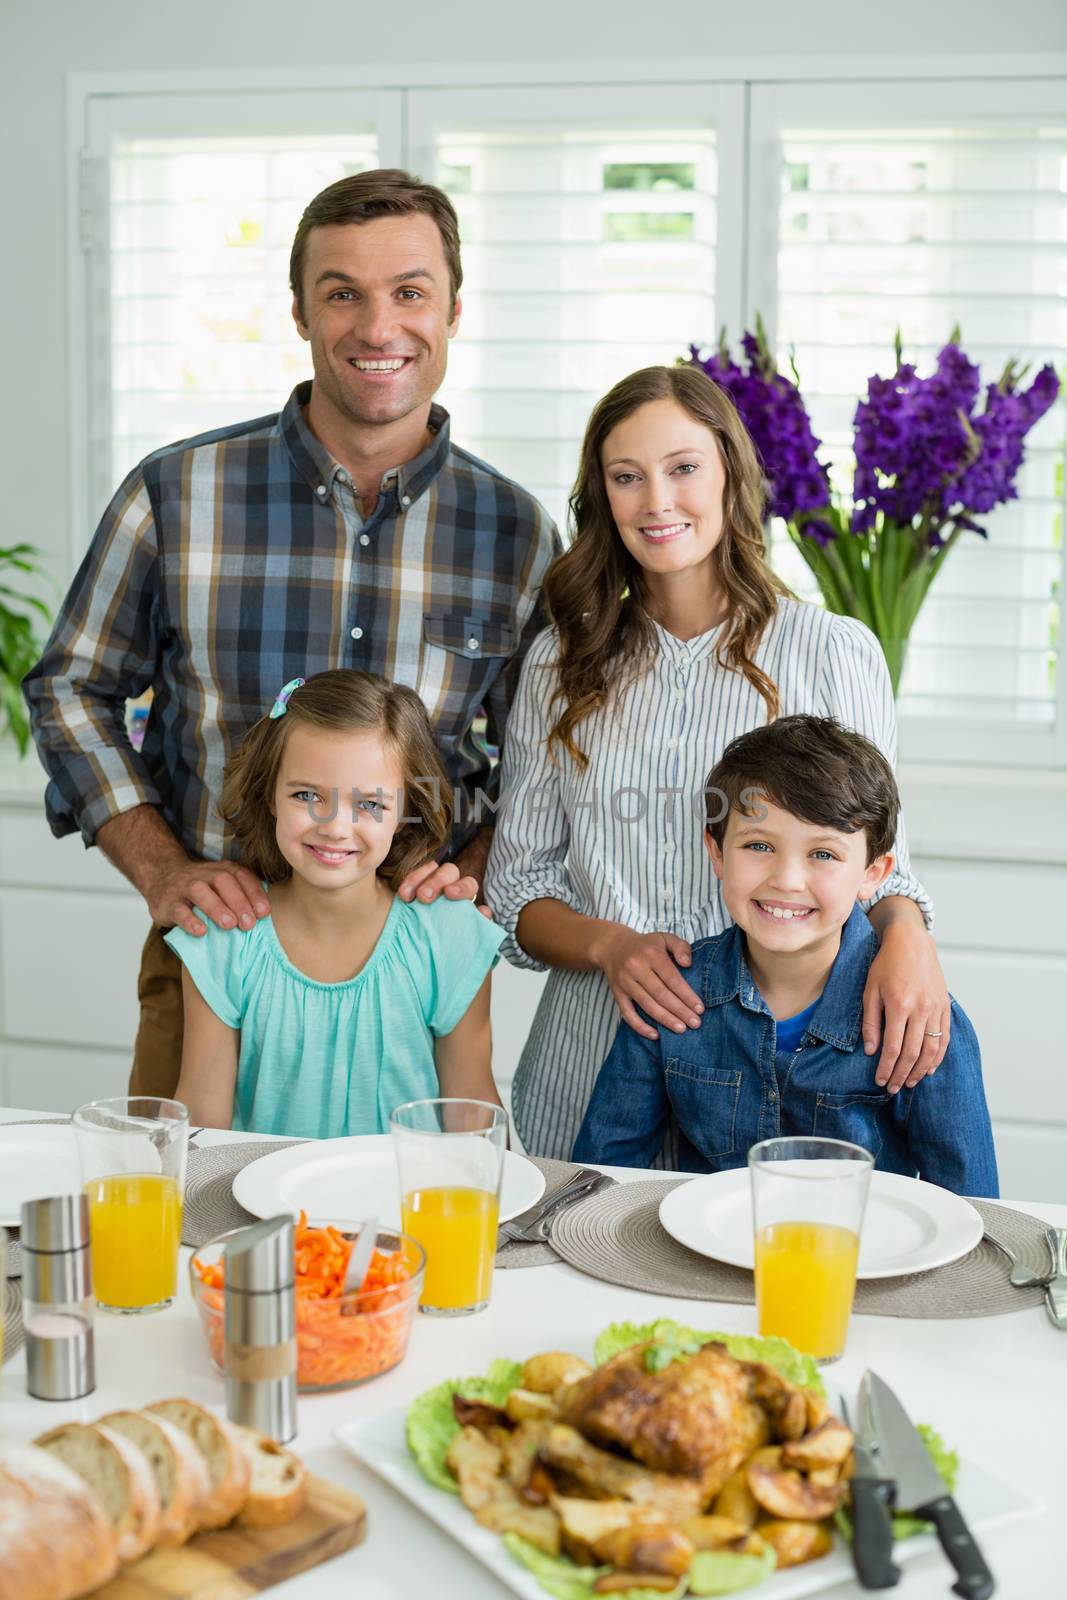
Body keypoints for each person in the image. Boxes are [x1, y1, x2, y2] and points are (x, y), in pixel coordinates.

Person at [24, 169, 559, 1101]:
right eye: (341, 292)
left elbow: (545, 754)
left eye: (409, 292)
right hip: (213, 966)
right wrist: (162, 870)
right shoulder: (175, 493)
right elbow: (72, 686)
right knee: (189, 1226)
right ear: (300, 312)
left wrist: (474, 869)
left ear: (454, 311)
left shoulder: (515, 535)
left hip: (415, 987)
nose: (377, 326)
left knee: (409, 1231)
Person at [485, 364, 947, 1162]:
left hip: (773, 1089)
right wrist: (609, 947)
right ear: (602, 499)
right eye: (626, 477)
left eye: (683, 468)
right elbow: (516, 894)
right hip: (590, 1064)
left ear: (730, 473)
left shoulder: (832, 651)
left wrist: (913, 942)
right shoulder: (560, 662)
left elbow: (879, 867)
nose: (656, 501)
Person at [574, 716, 998, 1196]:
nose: (787, 879)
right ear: (717, 854)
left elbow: (974, 1208)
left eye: (823, 854)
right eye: (759, 845)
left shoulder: (922, 1018)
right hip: (707, 1258)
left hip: (868, 1263)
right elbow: (601, 1178)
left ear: (872, 873)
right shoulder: (671, 996)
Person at [167, 670, 505, 1137]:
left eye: (369, 804)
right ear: (269, 796)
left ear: (407, 809)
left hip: (409, 1206)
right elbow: (201, 1123)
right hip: (266, 1207)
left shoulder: (450, 937)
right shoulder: (224, 938)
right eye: (307, 795)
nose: (334, 827)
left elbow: (472, 1116)